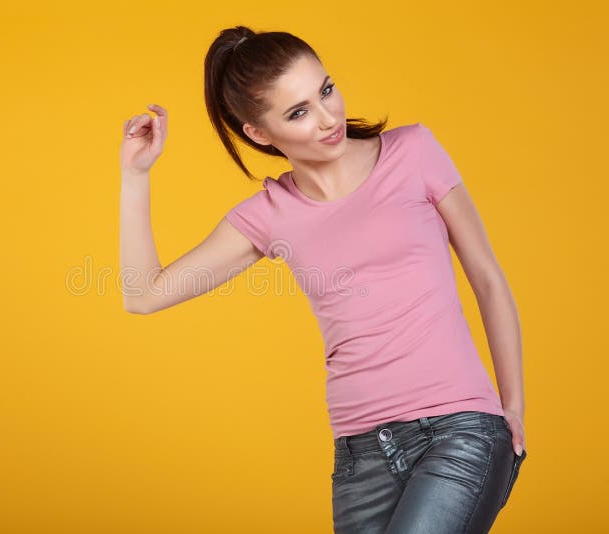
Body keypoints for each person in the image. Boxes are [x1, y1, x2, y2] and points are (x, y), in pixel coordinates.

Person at [119, 25, 527, 534]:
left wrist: (512, 407)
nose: (329, 118)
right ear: (259, 134)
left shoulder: (414, 152)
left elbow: (487, 276)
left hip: (459, 430)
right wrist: (136, 176)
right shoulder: (270, 214)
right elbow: (143, 295)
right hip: (359, 461)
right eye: (299, 112)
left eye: (326, 90)